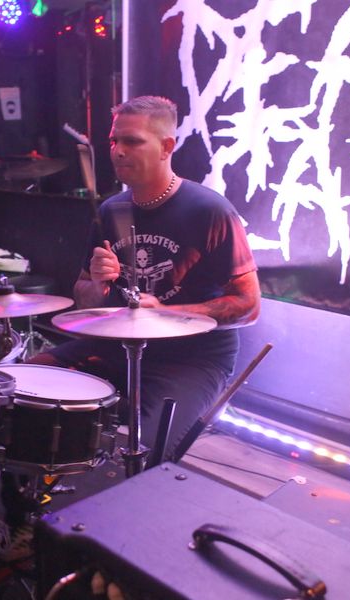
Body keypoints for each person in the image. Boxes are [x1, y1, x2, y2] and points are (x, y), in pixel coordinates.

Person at [29, 95, 260, 461]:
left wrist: (166, 314)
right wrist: (98, 284)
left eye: (132, 141)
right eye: (114, 140)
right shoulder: (111, 210)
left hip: (189, 360)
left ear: (167, 147)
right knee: (25, 385)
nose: (118, 151)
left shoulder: (209, 211)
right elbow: (84, 295)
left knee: (142, 452)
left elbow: (248, 306)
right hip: (115, 345)